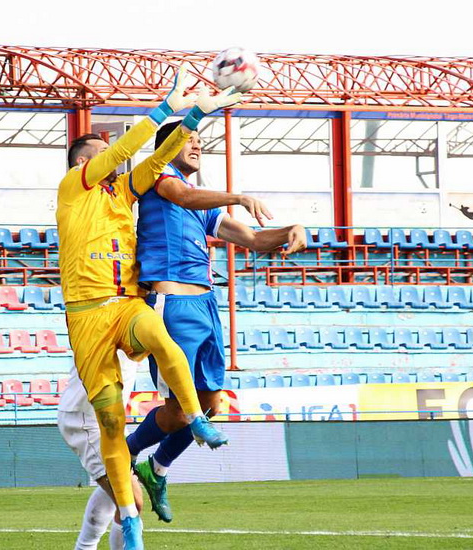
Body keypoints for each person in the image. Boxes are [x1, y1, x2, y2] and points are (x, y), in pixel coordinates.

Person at [56, 63, 241, 550]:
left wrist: (197, 113)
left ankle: (194, 424)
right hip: (89, 317)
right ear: (79, 165)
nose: (111, 161)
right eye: (98, 156)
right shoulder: (75, 189)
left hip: (124, 306)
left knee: (161, 340)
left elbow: (159, 157)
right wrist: (166, 107)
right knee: (124, 482)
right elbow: (128, 149)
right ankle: (100, 536)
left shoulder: (124, 191)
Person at [127, 120, 307, 523]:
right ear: (166, 146)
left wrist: (289, 230)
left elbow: (256, 239)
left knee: (211, 404)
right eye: (189, 139)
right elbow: (186, 197)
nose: (197, 145)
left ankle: (157, 470)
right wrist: (239, 196)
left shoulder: (202, 211)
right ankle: (125, 450)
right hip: (171, 305)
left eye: (200, 141)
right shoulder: (158, 176)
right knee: (178, 410)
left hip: (207, 306)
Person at [58, 351, 143, 550]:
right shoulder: (107, 323)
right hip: (88, 421)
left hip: (111, 419)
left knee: (114, 496)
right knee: (132, 502)